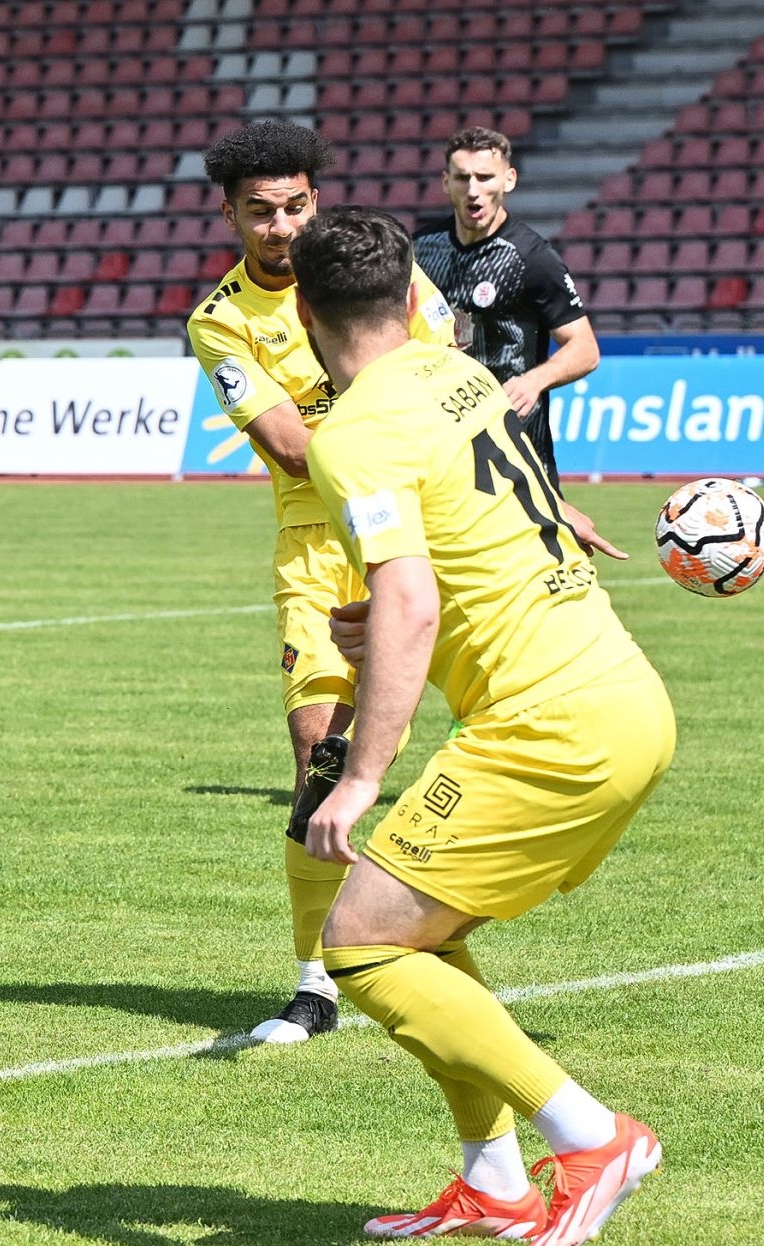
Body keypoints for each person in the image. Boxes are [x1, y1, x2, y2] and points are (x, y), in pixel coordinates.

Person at [289, 204, 674, 1246]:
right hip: (619, 691)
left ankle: (592, 1137)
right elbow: (466, 546)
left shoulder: (351, 433)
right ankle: (494, 1179)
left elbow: (412, 599)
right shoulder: (459, 371)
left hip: (549, 726)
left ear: (306, 313)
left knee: (360, 944)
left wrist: (360, 776)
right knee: (419, 926)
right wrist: (389, 615)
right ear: (415, 294)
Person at [185, 119, 461, 1045]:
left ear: (318, 200)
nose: (281, 227)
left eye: (296, 206)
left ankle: (427, 937)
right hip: (316, 541)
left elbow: (450, 379)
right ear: (229, 215)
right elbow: (292, 449)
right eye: (260, 211)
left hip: (421, 523)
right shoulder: (221, 322)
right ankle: (317, 980)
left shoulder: (380, 272)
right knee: (320, 752)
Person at [412, 125, 600, 489]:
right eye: (462, 177)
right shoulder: (419, 250)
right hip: (441, 447)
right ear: (445, 182)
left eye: (485, 177)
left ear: (508, 179)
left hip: (517, 450)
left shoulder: (532, 257)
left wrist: (534, 381)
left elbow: (585, 348)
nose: (473, 190)